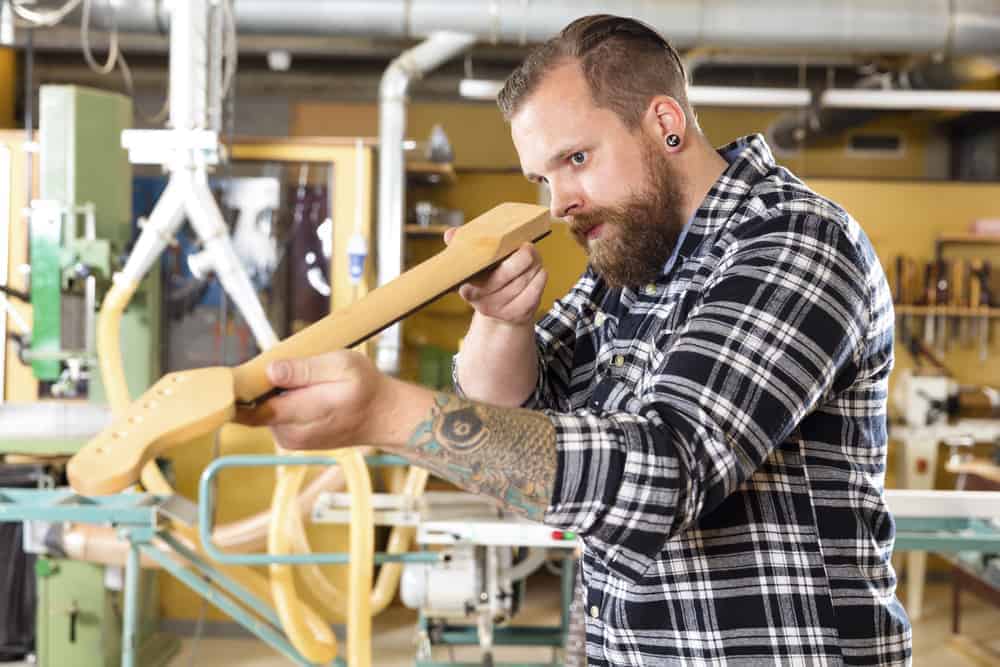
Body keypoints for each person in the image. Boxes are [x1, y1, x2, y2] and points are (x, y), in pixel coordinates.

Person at [262, 14, 912, 666]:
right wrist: (499, 320)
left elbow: (668, 473)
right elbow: (513, 435)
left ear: (665, 124)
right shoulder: (630, 265)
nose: (559, 204)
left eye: (576, 159)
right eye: (543, 179)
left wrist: (383, 413)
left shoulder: (796, 242)